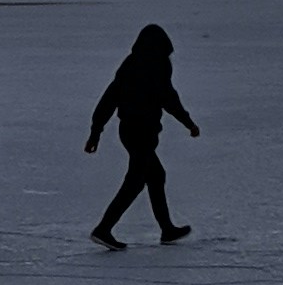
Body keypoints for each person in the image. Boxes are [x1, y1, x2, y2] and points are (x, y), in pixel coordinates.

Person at [85, 22, 198, 246]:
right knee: (136, 181)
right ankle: (103, 229)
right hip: (140, 133)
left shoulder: (130, 65)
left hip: (129, 132)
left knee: (155, 176)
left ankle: (167, 229)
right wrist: (188, 123)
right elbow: (169, 98)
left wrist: (96, 132)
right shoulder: (155, 66)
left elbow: (109, 99)